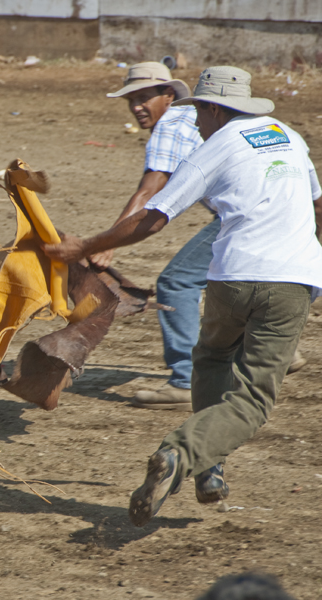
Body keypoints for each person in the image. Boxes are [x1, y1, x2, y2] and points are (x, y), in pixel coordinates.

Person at [43, 66, 322, 527]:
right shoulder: (288, 135)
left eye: (197, 114)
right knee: (252, 397)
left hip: (231, 278)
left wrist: (85, 246)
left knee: (212, 360)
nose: (194, 123)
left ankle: (195, 462)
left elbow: (155, 216)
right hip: (292, 281)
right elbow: (316, 203)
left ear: (214, 108)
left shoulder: (216, 146)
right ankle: (194, 459)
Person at [92, 62, 208, 411]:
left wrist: (105, 244)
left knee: (178, 283)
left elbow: (150, 191)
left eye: (144, 98)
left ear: (168, 96)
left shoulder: (172, 122)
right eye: (131, 100)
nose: (136, 107)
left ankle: (187, 380)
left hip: (246, 217)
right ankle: (278, 349)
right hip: (292, 213)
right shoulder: (205, 119)